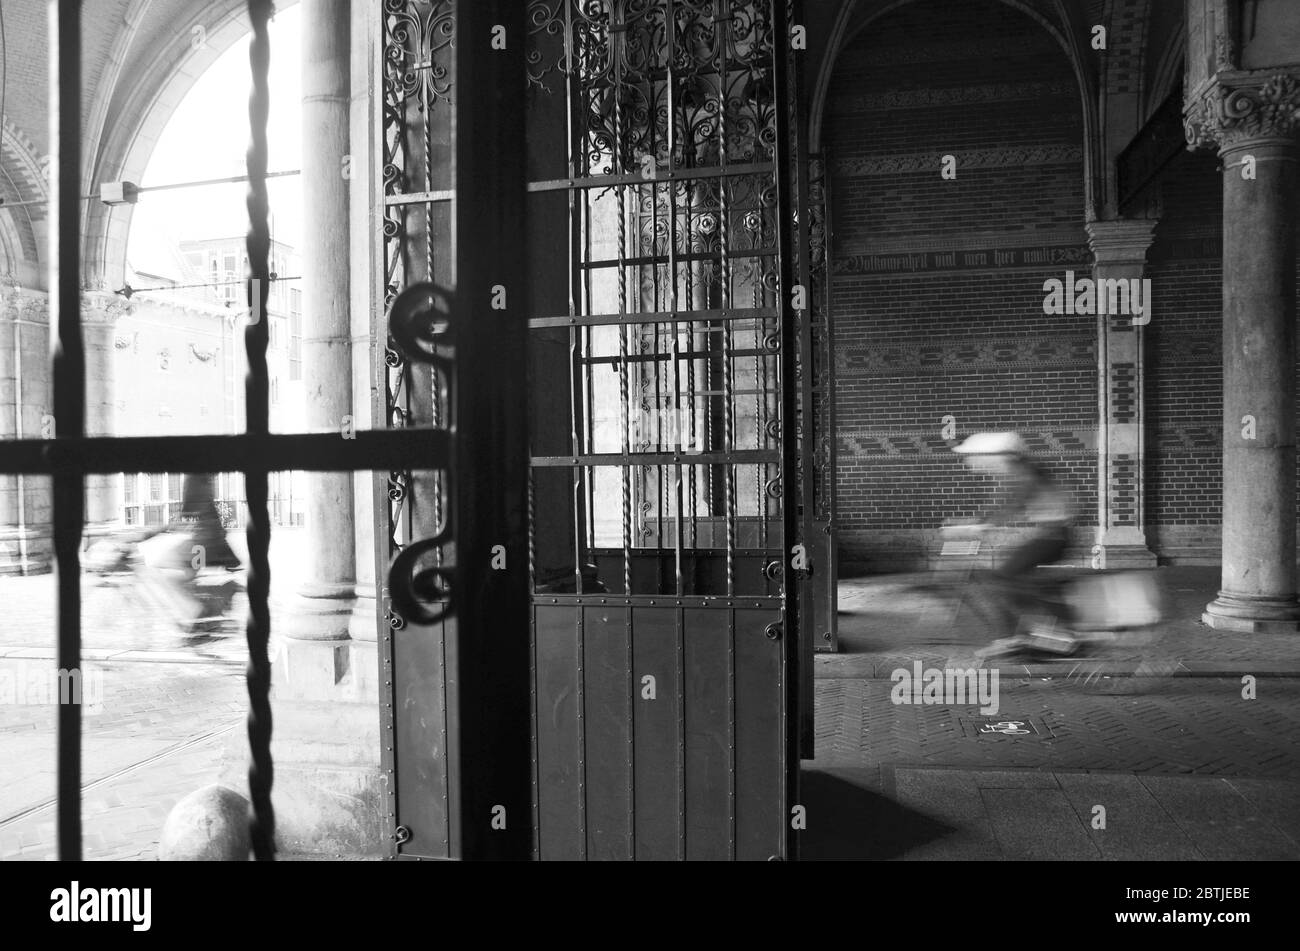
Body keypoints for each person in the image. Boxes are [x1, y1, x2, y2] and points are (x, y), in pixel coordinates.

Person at [943, 432, 1073, 644]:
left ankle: (1031, 633)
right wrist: (974, 522)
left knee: (1003, 577)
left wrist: (985, 525)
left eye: (979, 458)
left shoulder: (1025, 473)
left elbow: (1016, 500)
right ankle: (1031, 629)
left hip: (1054, 537)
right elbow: (1000, 501)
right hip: (1050, 535)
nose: (975, 464)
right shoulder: (1015, 474)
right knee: (1011, 575)